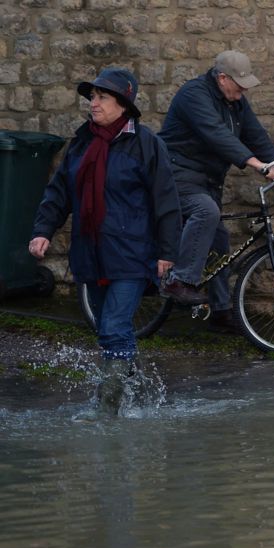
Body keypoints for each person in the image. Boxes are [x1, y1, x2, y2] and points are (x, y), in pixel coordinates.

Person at [29, 68, 181, 412]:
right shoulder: (82, 143)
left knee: (113, 327)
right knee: (112, 332)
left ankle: (106, 412)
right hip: (90, 253)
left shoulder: (146, 145)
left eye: (102, 97)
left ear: (123, 105)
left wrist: (167, 253)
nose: (93, 103)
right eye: (92, 97)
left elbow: (167, 202)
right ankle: (143, 401)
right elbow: (59, 193)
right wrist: (42, 231)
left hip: (132, 255)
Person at [158, 50, 274, 330]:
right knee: (206, 212)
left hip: (209, 180)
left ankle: (221, 312)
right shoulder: (193, 95)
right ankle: (179, 280)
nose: (244, 89)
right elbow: (217, 136)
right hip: (177, 175)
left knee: (219, 242)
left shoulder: (235, 102)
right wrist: (258, 166)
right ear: (222, 78)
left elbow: (257, 136)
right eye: (240, 83)